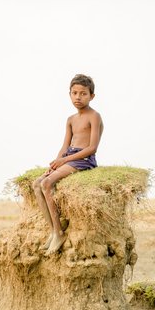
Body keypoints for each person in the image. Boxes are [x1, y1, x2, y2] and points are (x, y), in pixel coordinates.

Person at [32, 74, 104, 255]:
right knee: (36, 184)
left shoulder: (94, 116)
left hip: (83, 159)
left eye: (83, 94)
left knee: (47, 183)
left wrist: (65, 160)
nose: (78, 97)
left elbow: (92, 148)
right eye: (74, 93)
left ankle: (59, 233)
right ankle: (53, 230)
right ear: (69, 94)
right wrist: (56, 162)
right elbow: (65, 146)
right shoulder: (70, 119)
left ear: (92, 96)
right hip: (70, 156)